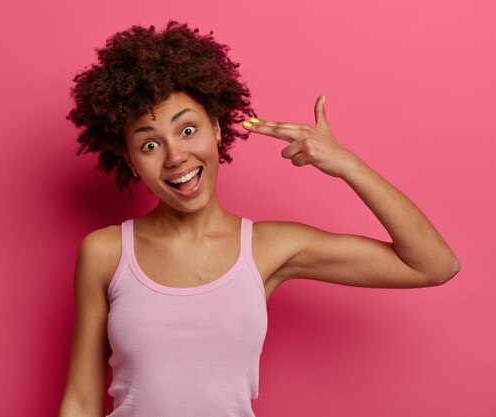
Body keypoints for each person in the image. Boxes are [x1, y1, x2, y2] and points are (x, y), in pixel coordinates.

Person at [57, 21, 460, 417]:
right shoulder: (106, 252)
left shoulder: (266, 249)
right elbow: (80, 402)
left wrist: (347, 165)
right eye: (149, 143)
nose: (175, 156)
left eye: (188, 130)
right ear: (131, 160)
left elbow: (433, 265)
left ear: (216, 129)